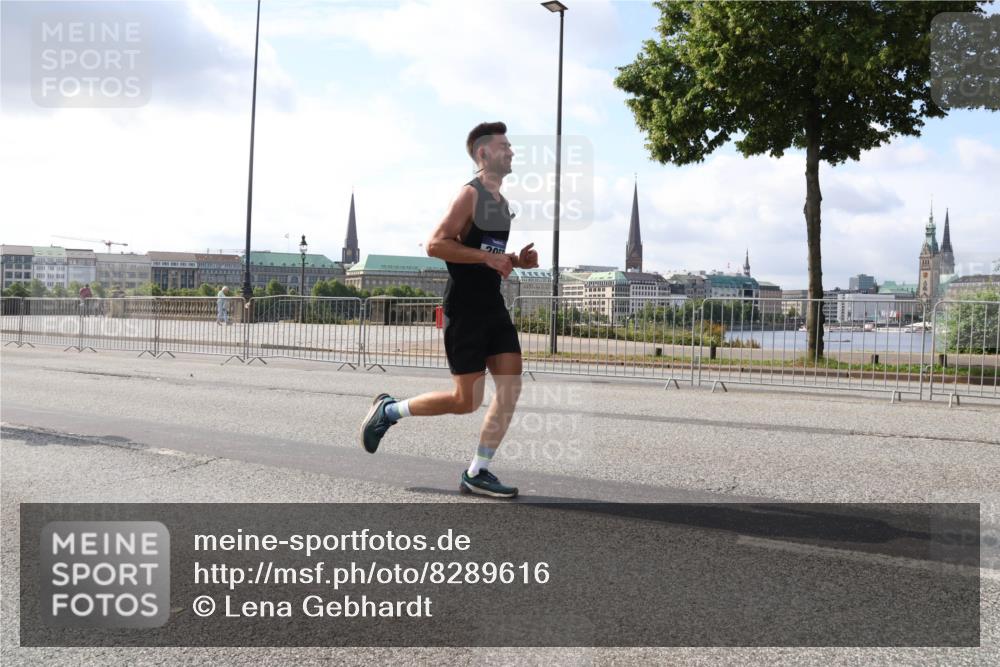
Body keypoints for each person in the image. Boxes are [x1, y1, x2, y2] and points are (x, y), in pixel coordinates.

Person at [360, 121, 538, 499]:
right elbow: (435, 245)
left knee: (510, 389)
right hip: (466, 309)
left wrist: (514, 261)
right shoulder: (469, 195)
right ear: (483, 154)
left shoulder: (503, 205)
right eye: (504, 147)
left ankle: (478, 471)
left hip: (494, 306)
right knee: (466, 401)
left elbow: (485, 255)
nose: (511, 152)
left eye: (511, 147)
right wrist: (490, 261)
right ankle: (389, 411)